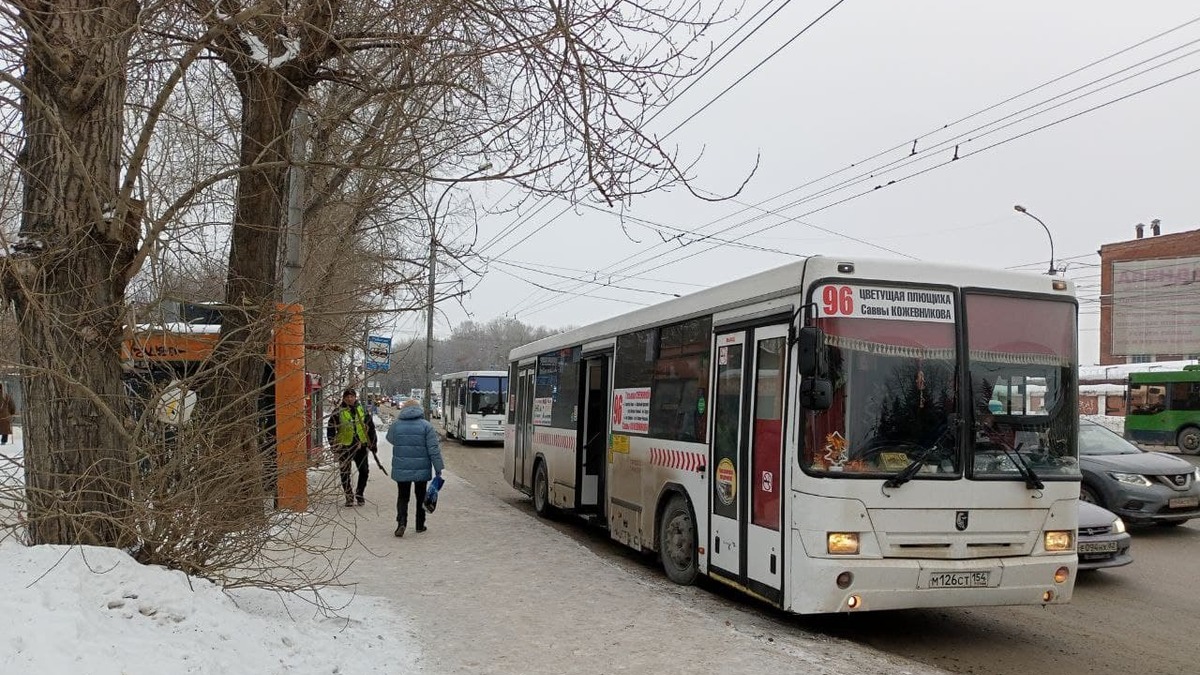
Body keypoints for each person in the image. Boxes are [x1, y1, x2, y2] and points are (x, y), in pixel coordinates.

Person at [386, 398, 444, 537]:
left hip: (402, 467)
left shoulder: (396, 425)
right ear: (419, 410)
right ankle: (419, 524)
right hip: (421, 468)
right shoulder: (426, 426)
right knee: (420, 496)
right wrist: (438, 467)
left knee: (403, 496)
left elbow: (390, 439)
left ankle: (401, 523)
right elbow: (433, 448)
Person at [326, 388, 377, 507]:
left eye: (352, 396)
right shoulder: (338, 411)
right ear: (344, 398)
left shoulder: (362, 410)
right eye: (347, 397)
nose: (350, 398)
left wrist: (373, 443)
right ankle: (349, 496)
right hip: (345, 446)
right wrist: (334, 445)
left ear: (355, 397)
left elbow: (371, 427)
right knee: (345, 473)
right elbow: (331, 430)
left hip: (361, 446)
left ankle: (360, 494)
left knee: (364, 471)